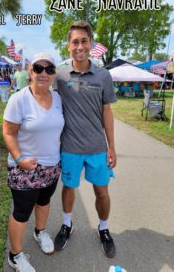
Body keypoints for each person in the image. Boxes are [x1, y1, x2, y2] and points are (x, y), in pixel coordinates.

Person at [54, 20, 117, 258]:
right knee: (69, 187)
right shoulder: (59, 76)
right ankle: (67, 224)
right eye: (75, 42)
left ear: (90, 43)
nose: (79, 46)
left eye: (83, 41)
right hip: (69, 147)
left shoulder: (103, 76)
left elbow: (107, 112)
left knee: (102, 192)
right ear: (68, 45)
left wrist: (112, 147)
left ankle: (103, 229)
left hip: (97, 149)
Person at [3, 53, 64, 272]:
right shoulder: (19, 99)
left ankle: (40, 231)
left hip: (51, 166)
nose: (43, 73)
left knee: (44, 201)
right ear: (30, 71)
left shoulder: (57, 98)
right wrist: (19, 159)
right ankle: (15, 255)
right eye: (38, 68)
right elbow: (8, 133)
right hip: (25, 168)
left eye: (49, 69)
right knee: (22, 211)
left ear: (54, 74)